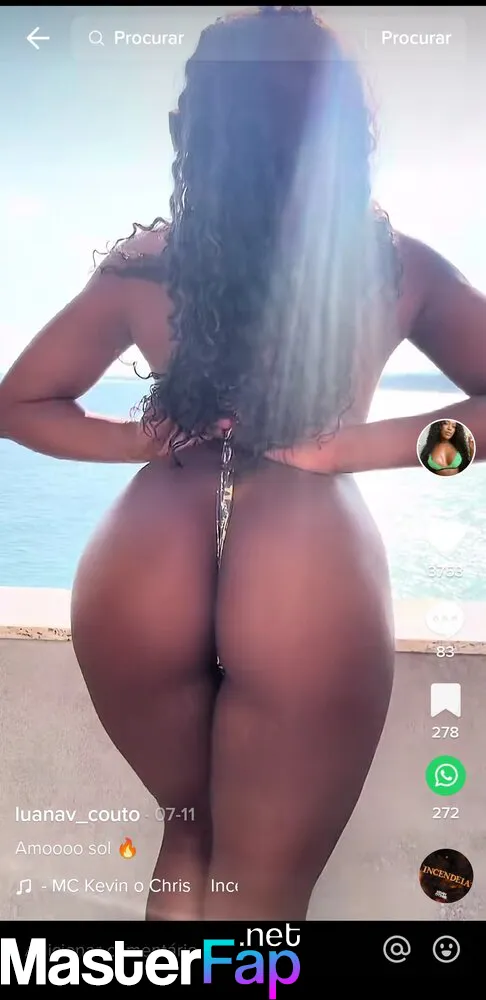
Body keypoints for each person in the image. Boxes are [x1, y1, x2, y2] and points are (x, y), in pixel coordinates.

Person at [1, 6, 485, 922]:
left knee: (189, 840)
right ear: (347, 132)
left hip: (141, 562)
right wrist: (354, 448)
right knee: (260, 896)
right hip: (306, 572)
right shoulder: (396, 267)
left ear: (192, 131)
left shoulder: (147, 266)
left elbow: (18, 404)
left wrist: (139, 440)